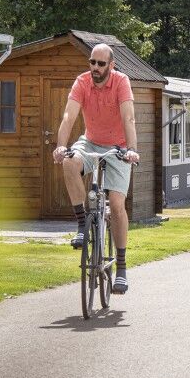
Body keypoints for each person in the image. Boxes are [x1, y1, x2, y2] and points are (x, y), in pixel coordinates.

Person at [52, 43, 140, 294]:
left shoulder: (121, 82)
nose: (96, 67)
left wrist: (131, 149)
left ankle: (121, 268)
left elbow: (129, 118)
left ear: (111, 65)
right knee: (69, 162)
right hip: (90, 142)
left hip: (118, 147)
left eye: (101, 64)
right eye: (92, 62)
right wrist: (61, 146)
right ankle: (82, 224)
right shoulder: (82, 82)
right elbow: (68, 117)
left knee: (117, 205)